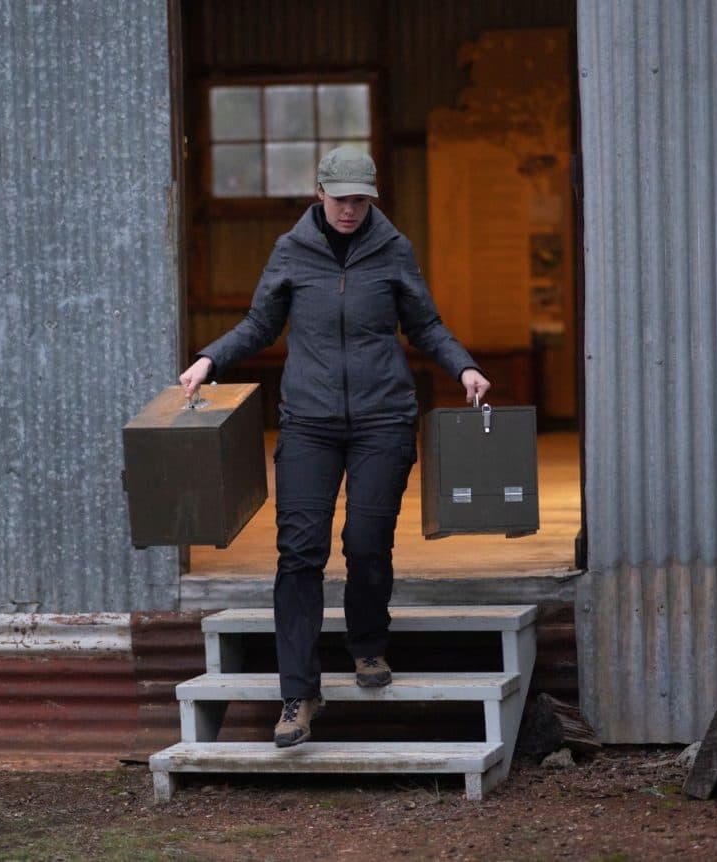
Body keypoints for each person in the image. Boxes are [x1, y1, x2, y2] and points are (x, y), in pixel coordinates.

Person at [179, 146, 490, 747]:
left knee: (366, 540)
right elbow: (261, 323)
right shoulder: (291, 251)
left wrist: (464, 367)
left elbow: (424, 323)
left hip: (383, 420)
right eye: (340, 197)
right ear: (319, 192)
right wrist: (211, 357)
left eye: (360, 199)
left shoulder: (393, 250)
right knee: (299, 552)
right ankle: (298, 693)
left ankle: (368, 643)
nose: (349, 209)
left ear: (372, 197)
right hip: (310, 424)